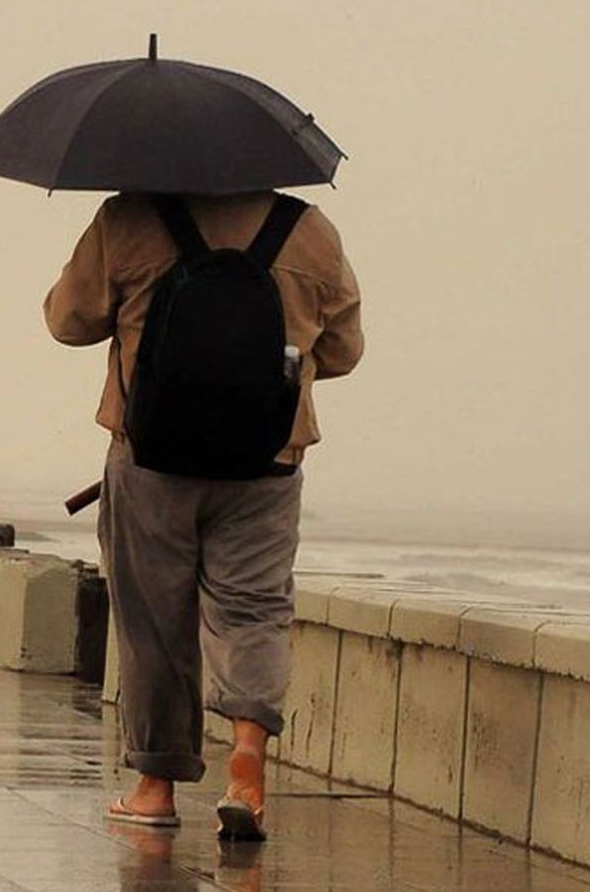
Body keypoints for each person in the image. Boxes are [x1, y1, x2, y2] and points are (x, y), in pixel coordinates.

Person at [44, 190, 364, 840]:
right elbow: (344, 350)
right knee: (254, 609)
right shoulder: (308, 230)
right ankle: (247, 759)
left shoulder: (130, 217)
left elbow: (67, 321)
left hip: (151, 458)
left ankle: (155, 788)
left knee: (154, 620)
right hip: (267, 460)